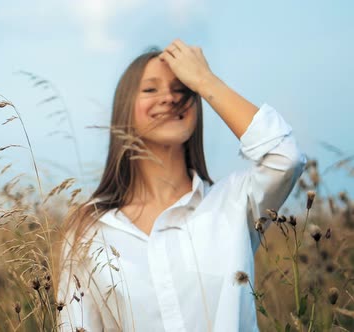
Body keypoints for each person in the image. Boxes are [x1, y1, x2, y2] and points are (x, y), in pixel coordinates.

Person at [55, 39, 307, 331]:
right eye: (150, 89)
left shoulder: (234, 203)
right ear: (124, 109)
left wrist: (204, 79)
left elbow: (285, 158)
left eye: (182, 89)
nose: (169, 98)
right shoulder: (90, 230)